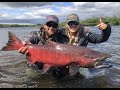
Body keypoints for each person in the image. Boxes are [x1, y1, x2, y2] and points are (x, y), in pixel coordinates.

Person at [18, 15, 69, 79]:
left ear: (57, 27)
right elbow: (27, 41)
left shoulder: (62, 38)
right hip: (36, 64)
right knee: (32, 76)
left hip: (54, 64)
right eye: (49, 24)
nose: (51, 27)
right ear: (44, 25)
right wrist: (23, 44)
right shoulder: (35, 35)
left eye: (54, 25)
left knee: (63, 76)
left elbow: (67, 52)